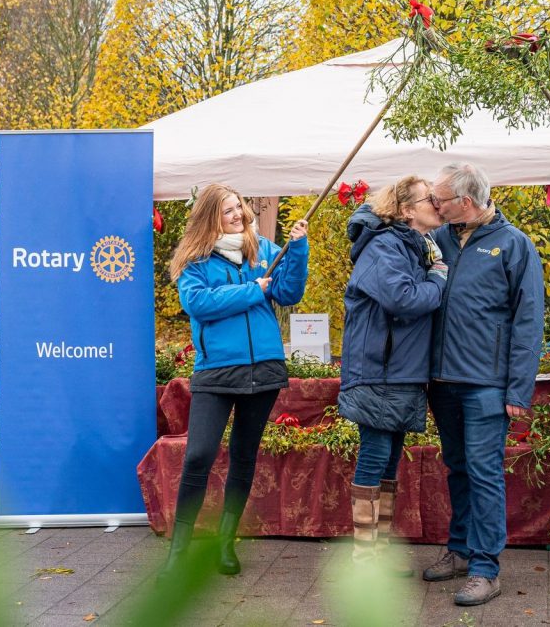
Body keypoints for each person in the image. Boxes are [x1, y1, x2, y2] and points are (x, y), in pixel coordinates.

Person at [159, 183, 308, 581]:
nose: (238, 215)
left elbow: (290, 291)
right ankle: (179, 551)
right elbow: (199, 304)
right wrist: (249, 291)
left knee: (244, 455)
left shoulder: (261, 251)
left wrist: (297, 250)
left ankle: (226, 542)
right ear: (212, 216)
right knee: (198, 456)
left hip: (264, 369)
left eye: (239, 208)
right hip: (217, 372)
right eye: (228, 211)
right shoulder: (196, 261)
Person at [421, 162, 545, 606]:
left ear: (466, 202)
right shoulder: (436, 240)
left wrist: (517, 390)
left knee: (485, 471)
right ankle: (459, 550)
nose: (434, 205)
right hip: (441, 380)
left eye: (440, 199)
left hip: (486, 384)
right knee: (456, 467)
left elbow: (529, 320)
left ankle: (484, 568)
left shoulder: (514, 245)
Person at [337, 175, 448, 572]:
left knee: (389, 459)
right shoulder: (385, 246)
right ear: (405, 210)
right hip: (379, 370)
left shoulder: (413, 245)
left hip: (398, 371)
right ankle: (365, 557)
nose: (437, 203)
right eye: (428, 199)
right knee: (376, 454)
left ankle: (376, 554)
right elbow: (403, 300)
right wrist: (438, 279)